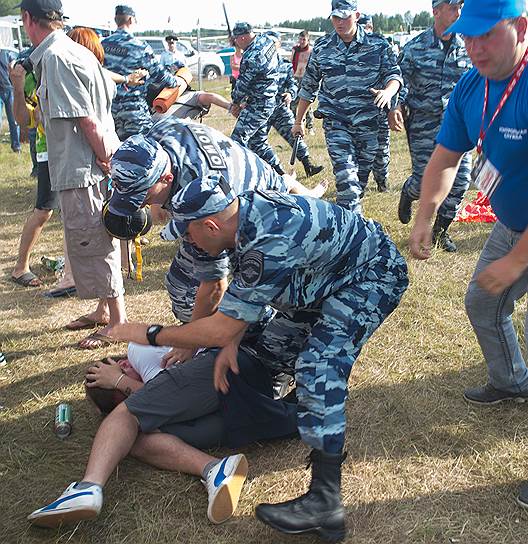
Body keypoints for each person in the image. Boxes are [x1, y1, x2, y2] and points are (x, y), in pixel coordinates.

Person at [108, 176, 409, 541]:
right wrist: (232, 335)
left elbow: (220, 325)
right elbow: (241, 298)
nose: (188, 243)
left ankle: (325, 501)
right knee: (268, 353)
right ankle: (299, 414)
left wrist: (151, 334)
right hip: (316, 281)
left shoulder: (268, 238)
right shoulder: (241, 219)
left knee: (318, 366)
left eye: (188, 234)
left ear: (210, 225)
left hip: (368, 276)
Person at [409, 0, 528, 511]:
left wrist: (518, 260)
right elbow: (446, 156)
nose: (472, 48)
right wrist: (426, 216)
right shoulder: (474, 83)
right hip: (514, 217)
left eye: (485, 37)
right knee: (481, 302)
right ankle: (510, 381)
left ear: (520, 28)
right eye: (466, 37)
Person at [27, 311, 306, 528]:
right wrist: (122, 384)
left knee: (124, 419)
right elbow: (158, 399)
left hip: (229, 366)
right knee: (133, 439)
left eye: (115, 363)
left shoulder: (138, 352)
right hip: (241, 402)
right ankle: (215, 470)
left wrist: (121, 382)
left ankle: (88, 487)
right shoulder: (150, 398)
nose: (121, 367)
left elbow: (156, 393)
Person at [103, 116, 326, 366]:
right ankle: (210, 331)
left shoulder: (199, 194)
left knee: (216, 292)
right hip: (244, 190)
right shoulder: (151, 143)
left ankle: (252, 334)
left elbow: (214, 285)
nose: (140, 204)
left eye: (141, 195)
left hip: (258, 214)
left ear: (165, 179)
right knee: (180, 285)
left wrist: (189, 344)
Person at [21, 0, 128, 350]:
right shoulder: (75, 51)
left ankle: (117, 321)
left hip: (84, 167)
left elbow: (86, 119)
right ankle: (103, 311)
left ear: (27, 19)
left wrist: (104, 158)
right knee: (97, 237)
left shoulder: (56, 57)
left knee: (95, 242)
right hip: (89, 163)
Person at [294, 0, 403, 214]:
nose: (340, 22)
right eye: (335, 17)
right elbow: (308, 87)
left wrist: (388, 92)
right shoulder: (323, 48)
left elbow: (394, 75)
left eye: (344, 16)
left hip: (368, 124)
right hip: (337, 123)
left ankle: (352, 224)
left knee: (358, 183)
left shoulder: (378, 44)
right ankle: (351, 235)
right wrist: (298, 122)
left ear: (357, 15)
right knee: (346, 181)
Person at [392, 0, 472, 252]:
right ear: (436, 11)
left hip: (458, 123)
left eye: (460, 7)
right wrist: (395, 106)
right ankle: (409, 192)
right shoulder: (415, 47)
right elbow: (400, 82)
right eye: (451, 7)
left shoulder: (469, 45)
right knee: (425, 177)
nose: (458, 12)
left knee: (460, 181)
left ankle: (440, 231)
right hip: (423, 122)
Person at [9, 46, 76, 295]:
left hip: (68, 147)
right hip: (49, 149)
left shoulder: (65, 59)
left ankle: (72, 268)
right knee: (44, 210)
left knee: (67, 210)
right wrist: (18, 88)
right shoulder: (29, 70)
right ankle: (19, 267)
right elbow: (23, 120)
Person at [102, 5, 182, 141]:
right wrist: (177, 81)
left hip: (109, 109)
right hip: (133, 110)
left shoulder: (102, 45)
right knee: (142, 152)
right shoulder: (139, 46)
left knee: (114, 153)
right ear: (131, 20)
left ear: (116, 20)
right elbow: (159, 75)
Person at [265, 31, 323, 178]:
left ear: (278, 45)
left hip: (279, 108)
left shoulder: (284, 65)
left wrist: (290, 93)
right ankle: (279, 173)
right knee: (257, 142)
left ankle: (308, 165)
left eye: (274, 43)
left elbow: (292, 84)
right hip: (261, 110)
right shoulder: (257, 64)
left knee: (295, 134)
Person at [229, 22, 284, 175]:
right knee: (258, 143)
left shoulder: (252, 56)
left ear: (244, 37)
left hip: (258, 105)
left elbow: (243, 85)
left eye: (237, 39)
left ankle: (239, 175)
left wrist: (235, 102)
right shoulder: (266, 40)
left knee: (236, 141)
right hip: (268, 99)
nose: (235, 42)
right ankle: (281, 174)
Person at [358, 14, 390, 193]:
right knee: (363, 149)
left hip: (381, 109)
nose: (366, 30)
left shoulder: (381, 46)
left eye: (368, 27)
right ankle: (359, 182)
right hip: (361, 110)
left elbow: (392, 74)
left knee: (382, 148)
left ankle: (381, 180)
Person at [290, 30, 314, 131]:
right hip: (296, 77)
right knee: (293, 103)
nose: (302, 41)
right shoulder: (295, 50)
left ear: (308, 40)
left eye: (304, 39)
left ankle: (310, 126)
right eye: (300, 39)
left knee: (306, 102)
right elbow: (291, 62)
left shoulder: (311, 51)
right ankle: (292, 123)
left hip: (306, 78)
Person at [0, 46, 21, 152]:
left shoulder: (6, 53)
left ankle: (16, 146)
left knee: (13, 120)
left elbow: (14, 65)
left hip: (9, 90)